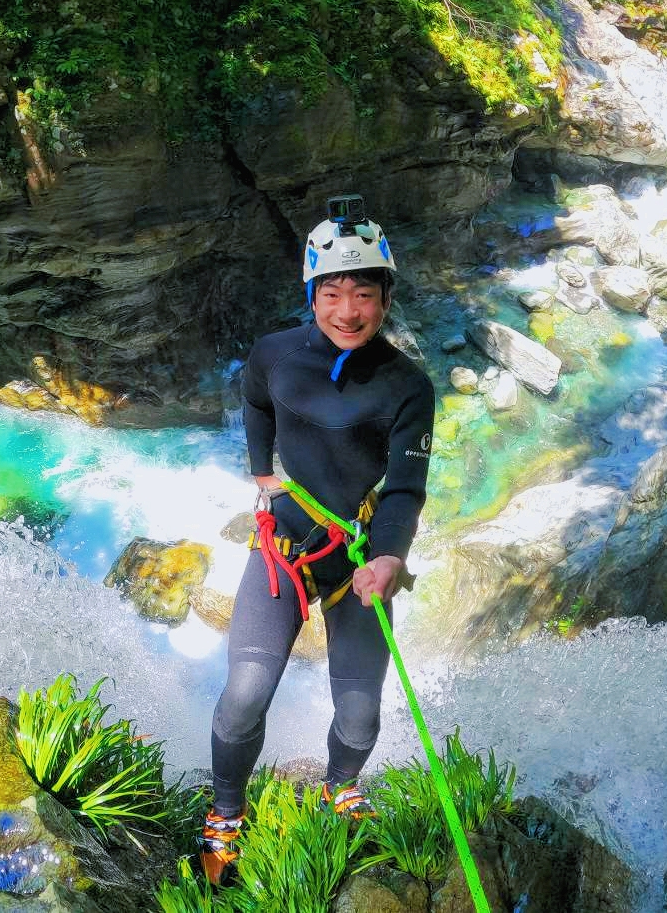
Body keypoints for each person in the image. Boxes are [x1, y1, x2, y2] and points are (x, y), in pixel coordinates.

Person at [200, 195, 436, 885]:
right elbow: (254, 400)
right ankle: (223, 813)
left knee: (361, 717)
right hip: (281, 548)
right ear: (311, 295)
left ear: (385, 297)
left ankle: (341, 785)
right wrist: (261, 471)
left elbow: (403, 487)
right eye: (331, 293)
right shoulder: (276, 353)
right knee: (244, 691)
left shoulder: (406, 387)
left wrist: (390, 554)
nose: (346, 310)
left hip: (356, 559)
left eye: (362, 293)